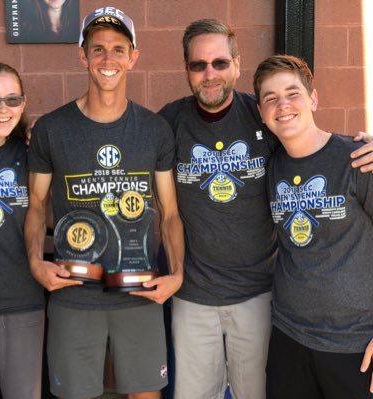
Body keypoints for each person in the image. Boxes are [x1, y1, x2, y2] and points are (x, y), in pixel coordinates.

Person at [159, 19, 373, 399]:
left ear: (237, 65)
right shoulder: (170, 122)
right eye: (198, 65)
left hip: (268, 300)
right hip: (212, 301)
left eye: (220, 63)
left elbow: (319, 146)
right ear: (186, 70)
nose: (210, 74)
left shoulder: (343, 156)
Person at [25, 6, 184, 399]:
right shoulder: (52, 129)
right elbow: (34, 206)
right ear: (83, 56)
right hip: (73, 294)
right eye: (97, 49)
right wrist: (34, 262)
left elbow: (170, 213)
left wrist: (177, 274)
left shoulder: (154, 130)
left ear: (133, 57)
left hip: (139, 291)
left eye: (118, 49)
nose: (107, 59)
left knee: (146, 394)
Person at [253, 54, 373, 399]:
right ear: (261, 112)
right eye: (270, 98)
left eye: (293, 93)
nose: (283, 105)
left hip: (355, 345)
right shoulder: (271, 167)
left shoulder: (356, 159)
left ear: (314, 99)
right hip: (289, 339)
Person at [0, 63, 45, 399]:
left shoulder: (32, 155)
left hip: (22, 298)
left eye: (12, 100)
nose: (3, 109)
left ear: (23, 103)